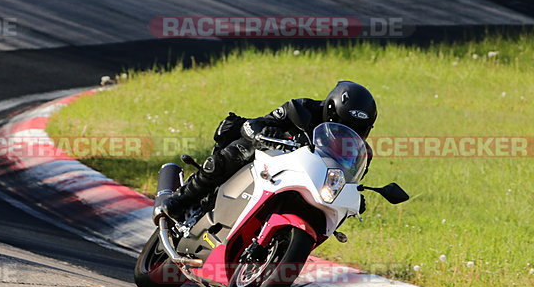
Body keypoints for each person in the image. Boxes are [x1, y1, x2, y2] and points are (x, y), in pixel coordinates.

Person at [161, 80, 377, 221]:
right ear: (330, 109)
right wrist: (262, 134)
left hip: (309, 184)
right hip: (269, 160)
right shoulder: (302, 109)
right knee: (238, 151)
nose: (349, 130)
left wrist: (353, 196)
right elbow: (253, 124)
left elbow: (349, 180)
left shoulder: (360, 152)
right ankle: (181, 199)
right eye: (343, 122)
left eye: (357, 128)